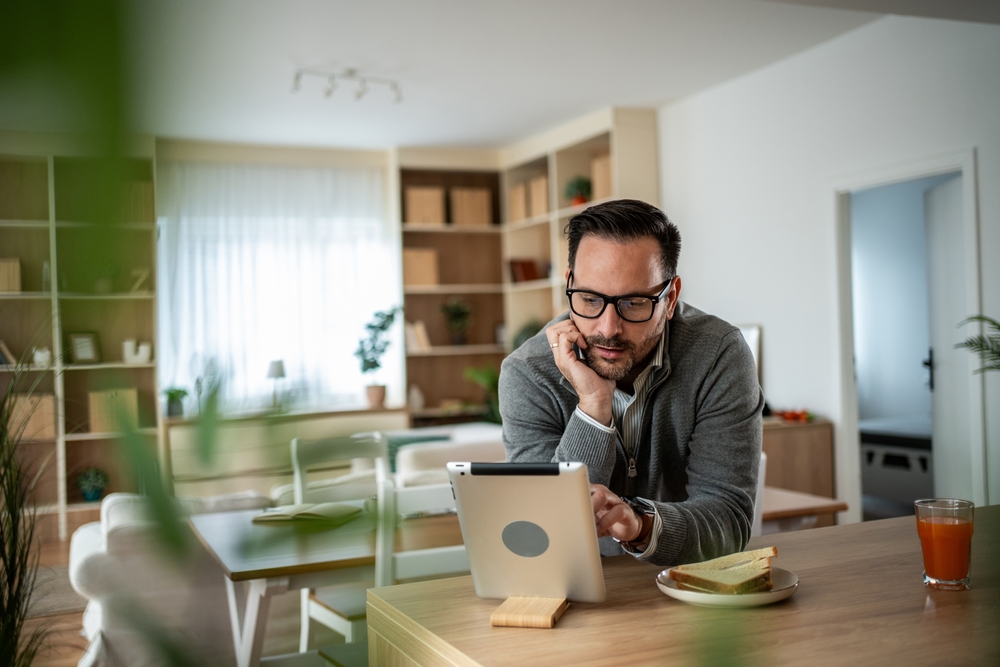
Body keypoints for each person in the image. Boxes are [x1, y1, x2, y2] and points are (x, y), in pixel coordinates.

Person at [499, 199, 763, 567]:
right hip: (575, 593)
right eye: (590, 299)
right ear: (570, 284)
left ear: (669, 298)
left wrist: (639, 525)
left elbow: (728, 521)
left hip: (692, 588)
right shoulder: (528, 372)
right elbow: (542, 532)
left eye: (634, 303)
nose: (607, 329)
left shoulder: (718, 355)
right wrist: (593, 405)